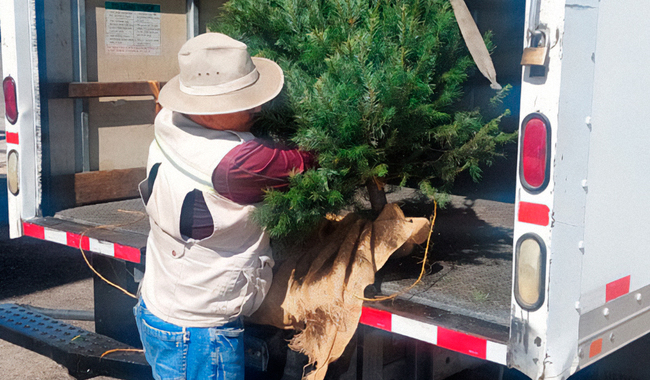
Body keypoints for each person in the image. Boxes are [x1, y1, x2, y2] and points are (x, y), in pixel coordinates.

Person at [134, 32, 313, 380]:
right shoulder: (236, 164)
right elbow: (309, 157)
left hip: (160, 306)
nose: (258, 108)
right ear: (210, 110)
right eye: (245, 101)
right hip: (199, 335)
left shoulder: (169, 118)